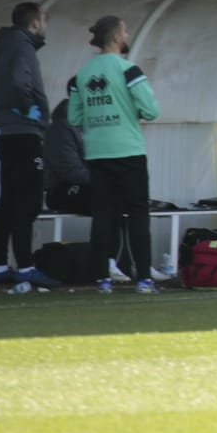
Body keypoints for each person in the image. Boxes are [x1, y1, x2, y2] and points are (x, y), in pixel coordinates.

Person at [67, 15, 160, 292]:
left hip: (97, 153)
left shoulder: (81, 75)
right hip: (128, 150)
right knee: (138, 214)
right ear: (118, 37)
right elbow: (152, 111)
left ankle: (103, 279)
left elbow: (74, 117)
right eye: (126, 31)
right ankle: (143, 278)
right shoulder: (128, 70)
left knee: (103, 216)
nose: (128, 36)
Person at [0, 1, 51, 287]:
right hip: (26, 135)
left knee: (8, 203)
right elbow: (18, 82)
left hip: (7, 135)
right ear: (35, 23)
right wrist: (28, 110)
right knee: (26, 203)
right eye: (44, 20)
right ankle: (25, 268)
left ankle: (0, 266)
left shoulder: (3, 47)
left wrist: (4, 110)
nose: (45, 26)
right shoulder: (22, 46)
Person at [42, 99, 88, 217]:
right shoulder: (60, 130)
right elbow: (70, 171)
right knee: (107, 198)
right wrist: (103, 179)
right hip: (61, 190)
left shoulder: (83, 130)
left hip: (82, 185)